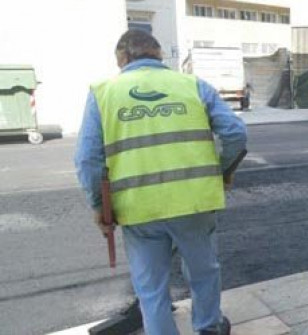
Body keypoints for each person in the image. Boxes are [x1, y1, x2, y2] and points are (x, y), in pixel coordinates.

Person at [74, 29, 246, 335]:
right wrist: (221, 173)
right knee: (203, 273)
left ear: (122, 58)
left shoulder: (103, 92)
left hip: (137, 209)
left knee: (150, 288)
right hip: (194, 202)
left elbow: (88, 159)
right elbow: (236, 134)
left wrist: (99, 206)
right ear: (158, 54)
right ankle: (208, 328)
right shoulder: (193, 85)